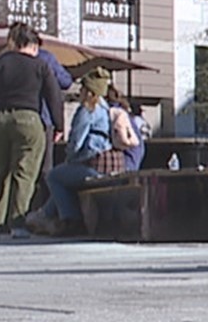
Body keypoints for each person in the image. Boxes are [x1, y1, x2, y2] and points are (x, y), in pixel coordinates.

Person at [0, 22, 64, 240]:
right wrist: (58, 125)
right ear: (31, 45)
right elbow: (53, 95)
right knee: (24, 173)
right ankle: (18, 224)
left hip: (0, 118)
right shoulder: (40, 65)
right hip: (29, 119)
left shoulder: (1, 63)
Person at [29, 68, 132, 236]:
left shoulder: (87, 111)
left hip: (95, 167)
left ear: (88, 91)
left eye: (82, 88)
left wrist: (69, 159)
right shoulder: (107, 109)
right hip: (115, 166)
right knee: (65, 177)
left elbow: (76, 143)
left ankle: (70, 220)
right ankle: (44, 216)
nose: (79, 91)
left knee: (54, 176)